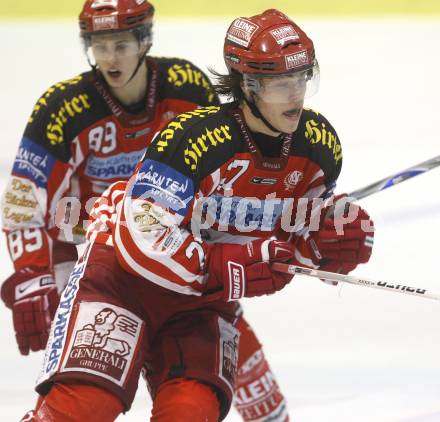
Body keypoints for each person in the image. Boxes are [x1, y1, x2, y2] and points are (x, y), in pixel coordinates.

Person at [20, 8, 374, 422]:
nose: (295, 95)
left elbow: (296, 231)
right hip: (119, 283)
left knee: (191, 412)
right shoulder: (192, 138)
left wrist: (332, 241)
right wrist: (220, 265)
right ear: (249, 85)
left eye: (301, 79)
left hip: (201, 304)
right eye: (281, 84)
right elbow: (143, 236)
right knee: (83, 407)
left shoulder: (319, 145)